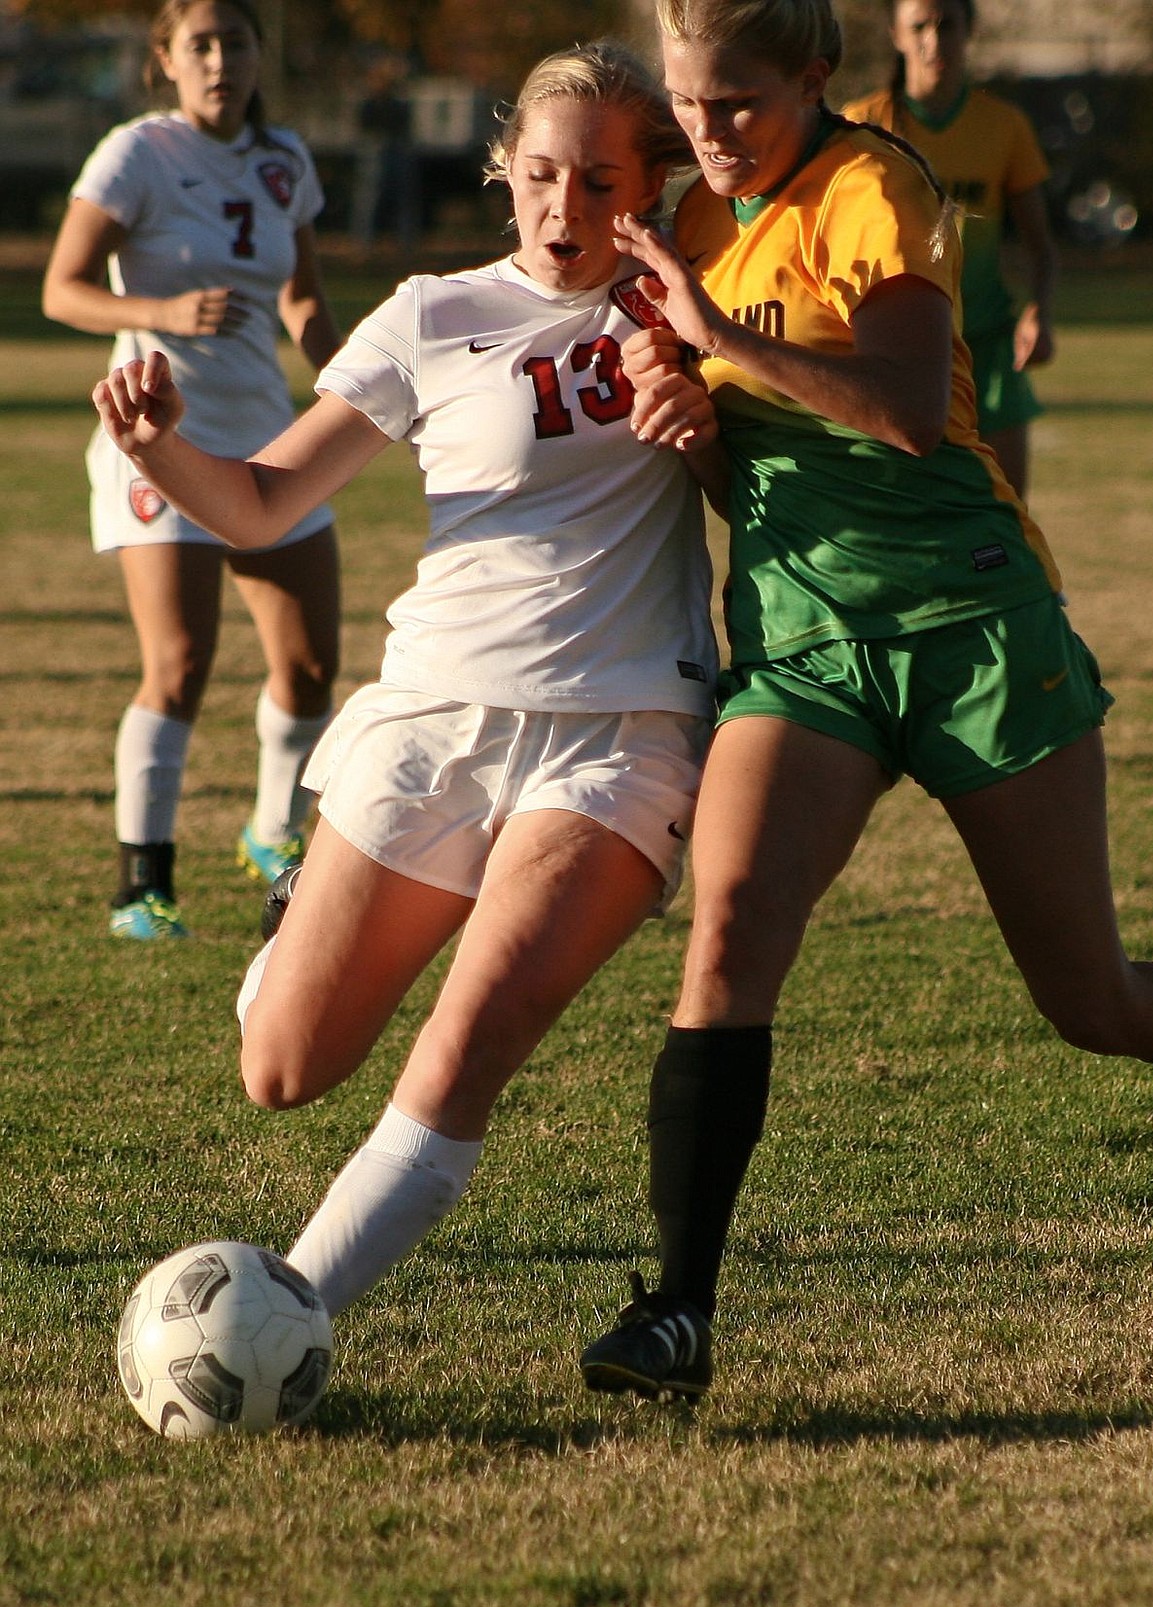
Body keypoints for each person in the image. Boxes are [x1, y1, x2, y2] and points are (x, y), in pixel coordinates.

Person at [577, 0, 1153, 1405]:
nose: (708, 136)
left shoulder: (871, 184)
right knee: (722, 938)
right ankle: (679, 1310)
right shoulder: (691, 224)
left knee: (1087, 999)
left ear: (812, 76)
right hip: (804, 646)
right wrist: (692, 421)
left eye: (735, 104)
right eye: (687, 104)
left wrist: (716, 330)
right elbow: (739, 467)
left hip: (973, 628)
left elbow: (905, 406)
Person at [90, 41, 719, 1327]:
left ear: (646, 188)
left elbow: (768, 496)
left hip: (622, 734)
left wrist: (704, 417)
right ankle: (293, 903)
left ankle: (282, 1323)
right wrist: (161, 442)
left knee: (462, 1049)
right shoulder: (434, 314)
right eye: (541, 175)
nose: (565, 209)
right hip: (433, 717)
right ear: (504, 172)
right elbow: (265, 503)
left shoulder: (690, 313)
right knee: (284, 1067)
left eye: (600, 183)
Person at [43, 0, 342, 940]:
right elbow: (62, 288)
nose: (219, 61)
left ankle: (268, 828)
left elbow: (301, 294)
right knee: (178, 663)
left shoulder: (285, 157)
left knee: (309, 666)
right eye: (198, 46)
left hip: (266, 443)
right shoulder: (137, 153)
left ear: (260, 54)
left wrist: (353, 382)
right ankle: (143, 885)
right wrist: (166, 314)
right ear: (164, 61)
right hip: (160, 441)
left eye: (236, 42)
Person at [842, 0, 1057, 499]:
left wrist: (1038, 313)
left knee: (1004, 515)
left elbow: (1042, 248)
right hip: (902, 350)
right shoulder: (862, 127)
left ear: (968, 30)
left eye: (947, 25)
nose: (934, 41)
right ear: (896, 34)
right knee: (908, 516)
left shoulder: (1004, 126)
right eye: (919, 26)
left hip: (987, 344)